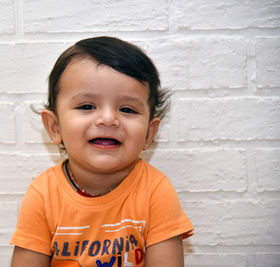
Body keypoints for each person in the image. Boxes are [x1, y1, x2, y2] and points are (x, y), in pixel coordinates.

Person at [10, 36, 193, 267]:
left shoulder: (156, 191)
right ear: (55, 128)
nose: (108, 119)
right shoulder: (43, 195)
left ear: (149, 133)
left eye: (127, 109)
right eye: (87, 106)